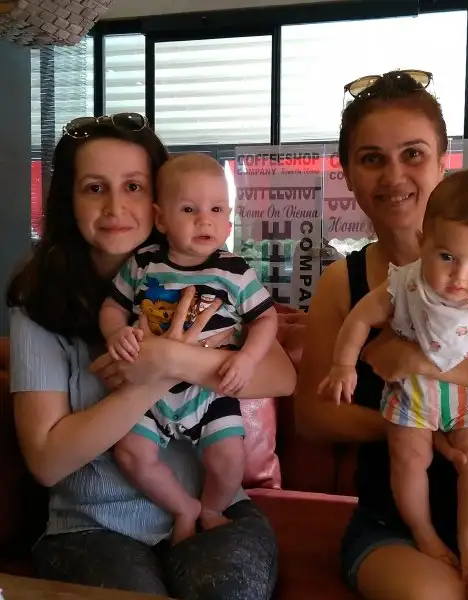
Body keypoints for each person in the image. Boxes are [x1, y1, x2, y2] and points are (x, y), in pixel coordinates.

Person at [295, 71, 468, 600]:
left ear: (443, 161)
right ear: (348, 174)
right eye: (372, 158)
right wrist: (420, 428)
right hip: (395, 522)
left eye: (413, 154)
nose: (394, 176)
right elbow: (313, 415)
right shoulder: (343, 282)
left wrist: (421, 362)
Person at [7, 113, 296, 599]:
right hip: (94, 525)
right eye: (94, 188)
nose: (116, 206)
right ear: (68, 201)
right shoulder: (38, 307)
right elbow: (48, 461)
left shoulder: (213, 275)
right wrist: (152, 378)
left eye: (133, 186)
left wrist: (170, 358)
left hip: (215, 506)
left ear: (158, 199)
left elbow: (281, 376)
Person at [319, 168, 468, 580]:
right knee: (408, 458)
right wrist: (343, 364)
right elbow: (360, 319)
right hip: (413, 394)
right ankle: (423, 532)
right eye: (446, 256)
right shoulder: (404, 284)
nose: (460, 275)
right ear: (423, 242)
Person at [100, 153, 278, 544]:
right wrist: (115, 333)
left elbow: (266, 318)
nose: (204, 220)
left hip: (209, 391)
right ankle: (184, 507)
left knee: (230, 457)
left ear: (229, 219)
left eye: (216, 209)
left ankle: (211, 508)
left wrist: (247, 358)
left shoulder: (234, 270)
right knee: (130, 453)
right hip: (148, 391)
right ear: (161, 218)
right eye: (188, 209)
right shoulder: (143, 263)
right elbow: (113, 306)